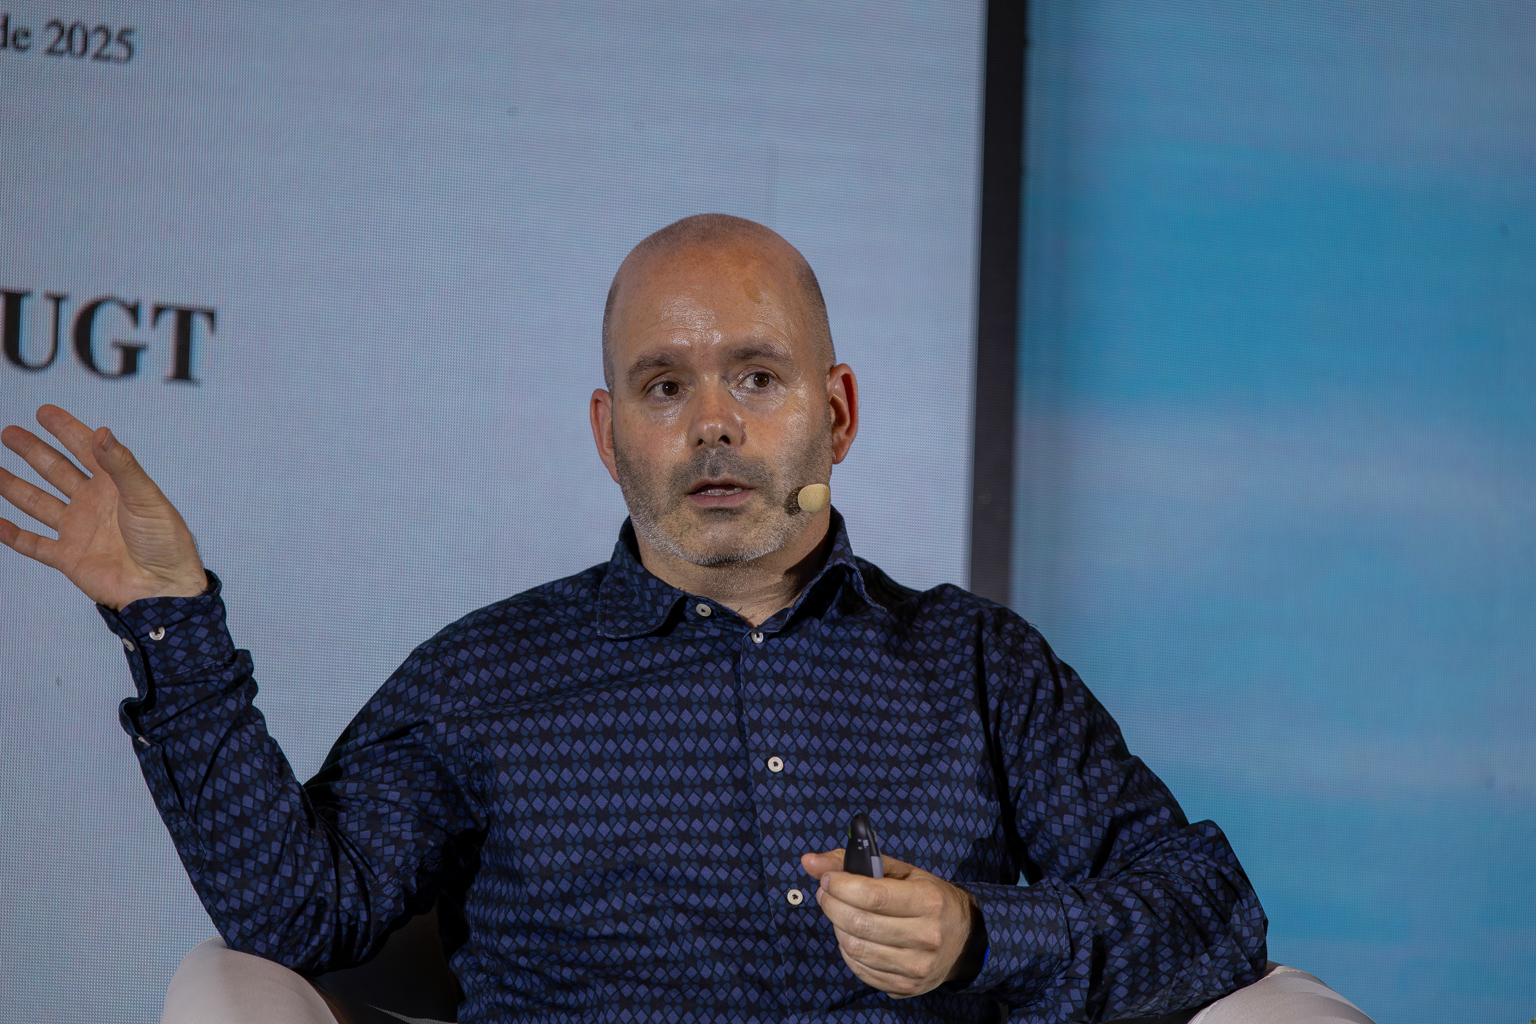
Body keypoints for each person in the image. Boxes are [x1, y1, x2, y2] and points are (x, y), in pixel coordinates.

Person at [0, 215, 1374, 1024]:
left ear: (835, 411)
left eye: (757, 376)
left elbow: (1210, 915)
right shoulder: (488, 675)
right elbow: (297, 918)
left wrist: (977, 941)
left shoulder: (977, 665)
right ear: (611, 436)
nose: (712, 421)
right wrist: (167, 622)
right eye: (663, 386)